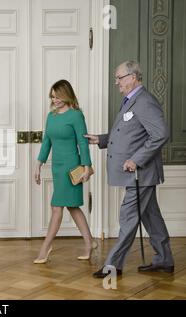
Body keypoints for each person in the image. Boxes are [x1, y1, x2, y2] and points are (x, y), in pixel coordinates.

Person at [85, 61, 174, 278]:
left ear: (133, 77)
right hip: (140, 175)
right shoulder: (130, 101)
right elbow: (129, 133)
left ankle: (113, 266)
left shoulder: (144, 101)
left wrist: (136, 159)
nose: (117, 82)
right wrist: (101, 139)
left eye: (120, 78)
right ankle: (164, 259)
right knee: (151, 216)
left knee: (127, 217)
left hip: (140, 173)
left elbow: (160, 134)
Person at [34, 79, 97, 264]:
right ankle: (90, 242)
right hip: (57, 167)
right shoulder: (51, 116)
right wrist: (38, 164)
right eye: (52, 97)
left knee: (56, 207)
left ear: (67, 95)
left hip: (71, 167)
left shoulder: (76, 116)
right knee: (72, 206)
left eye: (58, 96)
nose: (55, 100)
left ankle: (45, 247)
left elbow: (83, 142)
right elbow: (47, 141)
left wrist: (86, 166)